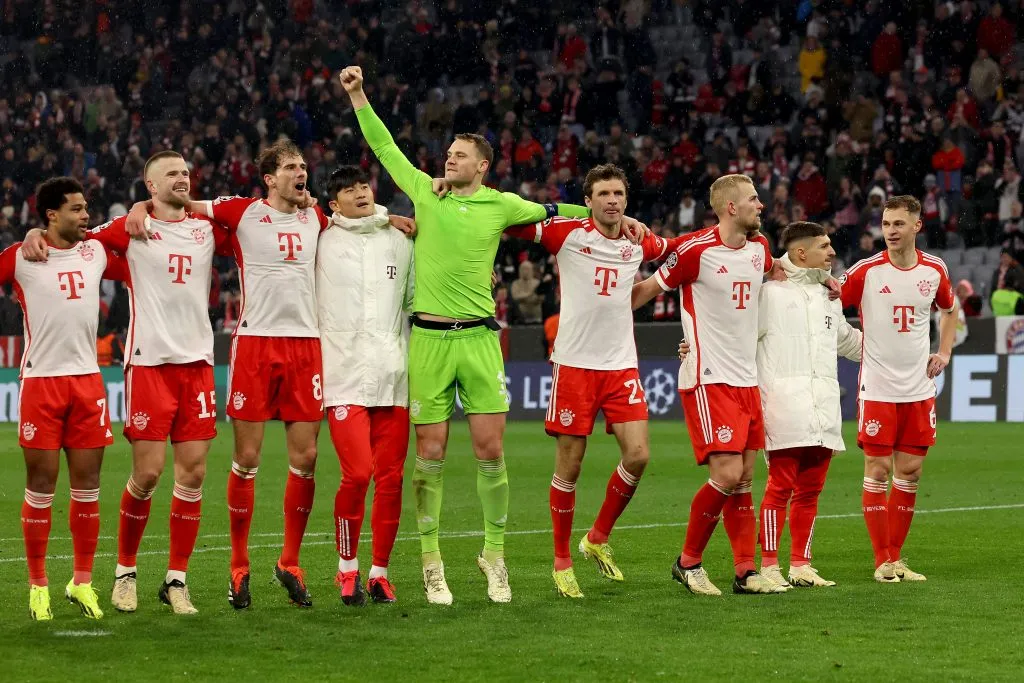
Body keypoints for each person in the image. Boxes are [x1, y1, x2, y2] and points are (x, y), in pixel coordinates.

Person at [339, 65, 645, 604]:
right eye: (447, 155)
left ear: (481, 166)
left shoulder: (502, 204)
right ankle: (431, 560)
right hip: (430, 340)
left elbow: (559, 212)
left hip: (481, 340)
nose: (447, 160)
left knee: (490, 451)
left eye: (458, 156)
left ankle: (494, 556)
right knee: (429, 454)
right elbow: (385, 148)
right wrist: (360, 93)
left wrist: (618, 222)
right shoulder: (424, 193)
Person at [22, 152, 229, 615]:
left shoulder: (209, 228)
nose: (184, 178)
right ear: (150, 186)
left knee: (193, 475)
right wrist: (37, 231)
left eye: (186, 172)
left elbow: (252, 228)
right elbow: (71, 240)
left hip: (197, 362)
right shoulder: (127, 229)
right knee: (149, 473)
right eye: (172, 173)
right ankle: (126, 572)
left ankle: (177, 580)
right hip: (149, 363)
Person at [506, 164, 683, 598]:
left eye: (619, 194)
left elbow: (674, 250)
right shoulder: (567, 233)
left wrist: (655, 273)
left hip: (621, 365)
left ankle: (598, 537)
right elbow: (511, 224)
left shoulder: (637, 241)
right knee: (570, 465)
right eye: (603, 193)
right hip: (574, 365)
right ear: (587, 200)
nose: (612, 201)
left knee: (639, 455)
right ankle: (562, 560)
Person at [631, 174, 784, 596]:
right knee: (728, 472)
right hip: (708, 377)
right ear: (730, 207)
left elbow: (779, 274)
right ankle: (688, 562)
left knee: (745, 478)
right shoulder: (695, 251)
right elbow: (644, 291)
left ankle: (744, 571)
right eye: (754, 199)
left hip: (747, 379)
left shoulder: (760, 248)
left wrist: (821, 279)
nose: (761, 205)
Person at [0, 177, 125, 620]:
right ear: (51, 215)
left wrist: (146, 210)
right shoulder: (20, 258)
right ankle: (38, 585)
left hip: (88, 381)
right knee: (41, 485)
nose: (85, 215)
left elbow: (129, 228)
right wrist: (28, 236)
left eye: (86, 207)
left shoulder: (95, 250)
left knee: (88, 487)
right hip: (41, 382)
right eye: (76, 209)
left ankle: (83, 581)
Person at [840, 195, 958, 582]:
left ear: (916, 226)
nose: (890, 231)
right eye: (886, 224)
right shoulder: (866, 270)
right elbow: (824, 302)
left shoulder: (934, 269)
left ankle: (896, 558)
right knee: (877, 470)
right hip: (877, 387)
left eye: (898, 224)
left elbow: (949, 309)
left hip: (919, 388)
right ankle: (883, 560)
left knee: (910, 472)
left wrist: (943, 351)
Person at [742, 222, 861, 589]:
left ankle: (801, 565)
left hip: (823, 404)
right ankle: (770, 566)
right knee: (780, 486)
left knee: (811, 490)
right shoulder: (769, 293)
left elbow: (846, 341)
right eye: (824, 247)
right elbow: (739, 335)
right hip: (783, 403)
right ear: (800, 253)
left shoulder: (829, 296)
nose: (832, 253)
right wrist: (693, 350)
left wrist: (896, 349)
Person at [317, 166, 414, 606]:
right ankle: (346, 567)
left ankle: (379, 573)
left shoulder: (400, 239)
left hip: (393, 377)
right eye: (348, 190)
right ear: (332, 204)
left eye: (363, 186)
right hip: (343, 377)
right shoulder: (320, 238)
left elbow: (416, 300)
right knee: (357, 474)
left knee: (391, 479)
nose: (359, 193)